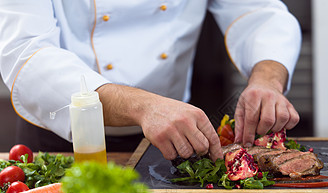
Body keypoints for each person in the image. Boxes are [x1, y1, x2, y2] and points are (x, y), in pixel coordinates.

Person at [0, 1, 301, 161]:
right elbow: (25, 49)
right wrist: (143, 106)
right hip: (66, 138)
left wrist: (267, 79)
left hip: (173, 141)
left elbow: (259, 12)